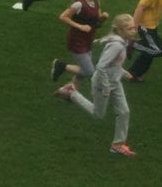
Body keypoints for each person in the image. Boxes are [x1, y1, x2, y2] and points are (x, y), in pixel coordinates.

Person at [53, 13, 139, 157]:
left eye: (134, 28)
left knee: (124, 111)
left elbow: (114, 65)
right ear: (120, 30)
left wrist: (123, 73)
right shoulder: (117, 46)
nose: (134, 31)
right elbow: (101, 66)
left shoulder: (123, 42)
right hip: (102, 83)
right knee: (98, 114)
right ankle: (71, 92)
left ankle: (117, 145)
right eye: (130, 29)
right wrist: (106, 87)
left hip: (114, 81)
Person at [51, 0, 109, 88]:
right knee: (89, 71)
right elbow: (63, 17)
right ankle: (61, 66)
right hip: (77, 41)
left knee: (83, 70)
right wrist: (80, 26)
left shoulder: (96, 2)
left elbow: (97, 23)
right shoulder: (79, 4)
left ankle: (70, 91)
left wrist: (103, 18)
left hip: (88, 40)